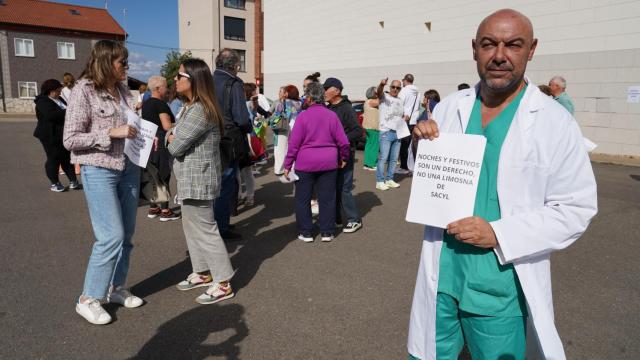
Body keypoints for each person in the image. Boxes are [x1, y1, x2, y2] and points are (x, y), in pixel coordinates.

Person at [408, 9, 597, 360]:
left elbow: (575, 208)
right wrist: (420, 146)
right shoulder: (450, 108)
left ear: (531, 49)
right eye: (488, 44)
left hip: (499, 288)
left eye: (513, 45)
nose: (499, 55)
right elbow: (426, 176)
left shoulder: (555, 122)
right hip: (442, 280)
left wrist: (498, 234)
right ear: (474, 49)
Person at [64, 40, 144, 325]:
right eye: (122, 62)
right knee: (110, 236)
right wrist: (111, 132)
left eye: (127, 62)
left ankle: (116, 287)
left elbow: (129, 128)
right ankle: (88, 298)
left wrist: (141, 134)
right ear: (105, 61)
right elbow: (70, 138)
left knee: (127, 236)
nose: (126, 67)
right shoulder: (83, 90)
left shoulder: (123, 90)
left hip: (129, 168)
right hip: (99, 169)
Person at [166, 58, 236, 305]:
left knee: (205, 230)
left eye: (180, 76)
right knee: (192, 228)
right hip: (190, 178)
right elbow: (174, 136)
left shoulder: (200, 110)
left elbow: (176, 146)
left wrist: (170, 136)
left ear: (194, 80)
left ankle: (223, 281)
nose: (175, 79)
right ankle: (203, 272)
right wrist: (171, 134)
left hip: (199, 179)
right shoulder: (189, 106)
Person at [284, 82, 350, 242]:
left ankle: (305, 232)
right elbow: (343, 142)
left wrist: (287, 165)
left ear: (309, 97)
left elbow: (294, 144)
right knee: (327, 198)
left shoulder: (303, 116)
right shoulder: (331, 115)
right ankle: (327, 231)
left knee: (303, 198)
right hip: (328, 162)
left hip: (305, 163)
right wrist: (344, 158)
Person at [212, 48, 252, 240]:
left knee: (212, 183)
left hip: (208, 135)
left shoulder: (207, 80)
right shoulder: (234, 83)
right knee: (226, 183)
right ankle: (221, 227)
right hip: (229, 137)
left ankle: (212, 226)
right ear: (236, 65)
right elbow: (242, 118)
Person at [324, 77, 363, 234]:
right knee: (333, 187)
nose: (324, 91)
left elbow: (358, 131)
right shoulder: (328, 108)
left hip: (345, 154)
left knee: (345, 188)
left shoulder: (347, 108)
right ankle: (336, 218)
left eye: (327, 88)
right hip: (332, 154)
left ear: (337, 91)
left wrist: (341, 140)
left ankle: (354, 219)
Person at [142, 75, 180, 221]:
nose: (168, 89)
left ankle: (153, 207)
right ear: (158, 88)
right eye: (165, 86)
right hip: (161, 142)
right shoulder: (161, 104)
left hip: (149, 142)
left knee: (152, 174)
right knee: (163, 175)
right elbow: (166, 126)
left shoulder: (146, 104)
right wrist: (179, 123)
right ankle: (165, 210)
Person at [33, 79, 81, 192]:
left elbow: (67, 111)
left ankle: (73, 181)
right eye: (58, 90)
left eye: (60, 90)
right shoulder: (42, 101)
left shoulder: (59, 99)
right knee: (54, 159)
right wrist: (69, 111)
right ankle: (55, 183)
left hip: (62, 135)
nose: (60, 92)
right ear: (50, 91)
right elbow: (51, 115)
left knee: (66, 158)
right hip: (49, 135)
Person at [374, 78, 404, 191]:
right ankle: (380, 181)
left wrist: (405, 118)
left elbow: (401, 114)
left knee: (394, 159)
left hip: (397, 132)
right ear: (390, 87)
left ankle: (389, 179)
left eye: (398, 88)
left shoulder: (400, 100)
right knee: (383, 158)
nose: (395, 89)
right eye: (393, 87)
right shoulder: (385, 97)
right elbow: (379, 92)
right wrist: (381, 84)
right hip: (386, 132)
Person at [269, 85, 302, 176]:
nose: (283, 93)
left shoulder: (286, 102)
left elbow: (282, 115)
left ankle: (280, 169)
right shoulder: (300, 102)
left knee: (282, 148)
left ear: (288, 93)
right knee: (295, 147)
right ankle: (294, 167)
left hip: (287, 126)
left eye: (285, 91)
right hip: (298, 126)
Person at [397, 74, 420, 174]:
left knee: (403, 145)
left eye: (403, 81)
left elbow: (399, 104)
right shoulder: (417, 92)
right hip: (413, 120)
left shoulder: (404, 90)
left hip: (405, 119)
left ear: (406, 80)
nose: (402, 82)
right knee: (409, 145)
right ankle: (409, 165)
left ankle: (404, 167)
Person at [362, 86, 380, 170]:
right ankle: (371, 164)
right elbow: (381, 101)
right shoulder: (372, 101)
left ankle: (367, 163)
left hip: (367, 126)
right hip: (373, 127)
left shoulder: (367, 101)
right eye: (376, 92)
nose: (378, 93)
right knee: (374, 146)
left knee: (369, 145)